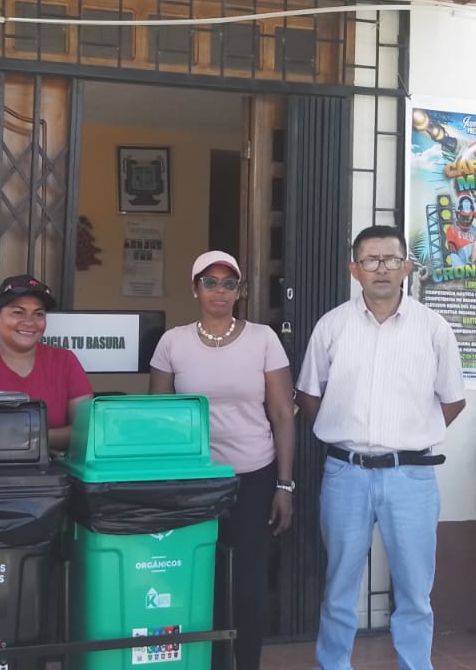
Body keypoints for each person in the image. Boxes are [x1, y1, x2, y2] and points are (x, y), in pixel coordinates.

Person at [296, 225, 467, 670]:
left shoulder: (433, 328)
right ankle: (333, 665)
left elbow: (453, 400)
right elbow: (309, 395)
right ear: (354, 270)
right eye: (370, 260)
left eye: (391, 259)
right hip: (345, 474)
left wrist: (412, 435)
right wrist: (342, 432)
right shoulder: (332, 326)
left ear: (406, 266)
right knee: (339, 587)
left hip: (412, 476)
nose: (381, 269)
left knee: (415, 592)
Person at [148, 250, 297, 670]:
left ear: (240, 291)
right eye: (210, 282)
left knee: (247, 582)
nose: (219, 290)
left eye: (229, 283)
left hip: (253, 474)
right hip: (194, 481)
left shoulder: (263, 339)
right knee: (199, 577)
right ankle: (208, 663)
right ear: (195, 289)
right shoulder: (172, 342)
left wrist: (284, 484)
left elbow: (283, 414)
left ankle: (246, 662)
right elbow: (159, 417)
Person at [0, 274, 93, 450]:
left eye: (38, 314)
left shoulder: (65, 361)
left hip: (53, 466)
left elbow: (86, 431)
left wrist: (24, 437)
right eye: (18, 312)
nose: (29, 322)